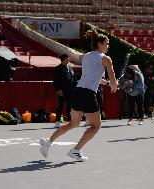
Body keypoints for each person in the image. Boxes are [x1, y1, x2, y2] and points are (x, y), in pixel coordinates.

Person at [39, 30, 118, 161]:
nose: (108, 46)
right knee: (96, 126)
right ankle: (76, 150)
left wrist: (108, 83)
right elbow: (113, 80)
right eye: (107, 43)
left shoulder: (86, 56)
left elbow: (93, 77)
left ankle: (48, 142)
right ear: (99, 44)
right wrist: (114, 85)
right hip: (87, 93)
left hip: (78, 91)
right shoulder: (106, 59)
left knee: (73, 123)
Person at [53, 54, 76, 128]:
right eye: (66, 59)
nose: (68, 60)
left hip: (70, 91)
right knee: (60, 106)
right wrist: (58, 89)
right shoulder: (58, 69)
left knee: (70, 106)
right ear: (62, 60)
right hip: (62, 91)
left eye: (68, 59)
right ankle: (57, 122)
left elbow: (74, 79)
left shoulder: (70, 68)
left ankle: (70, 121)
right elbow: (56, 80)